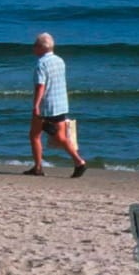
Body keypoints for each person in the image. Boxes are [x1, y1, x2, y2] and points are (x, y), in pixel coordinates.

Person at [28, 32, 88, 178]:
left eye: (35, 45)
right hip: (60, 104)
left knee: (34, 136)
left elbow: (40, 87)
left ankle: (38, 167)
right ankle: (79, 161)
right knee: (61, 137)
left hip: (46, 106)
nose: (33, 48)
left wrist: (36, 105)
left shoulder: (41, 64)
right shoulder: (60, 61)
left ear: (41, 48)